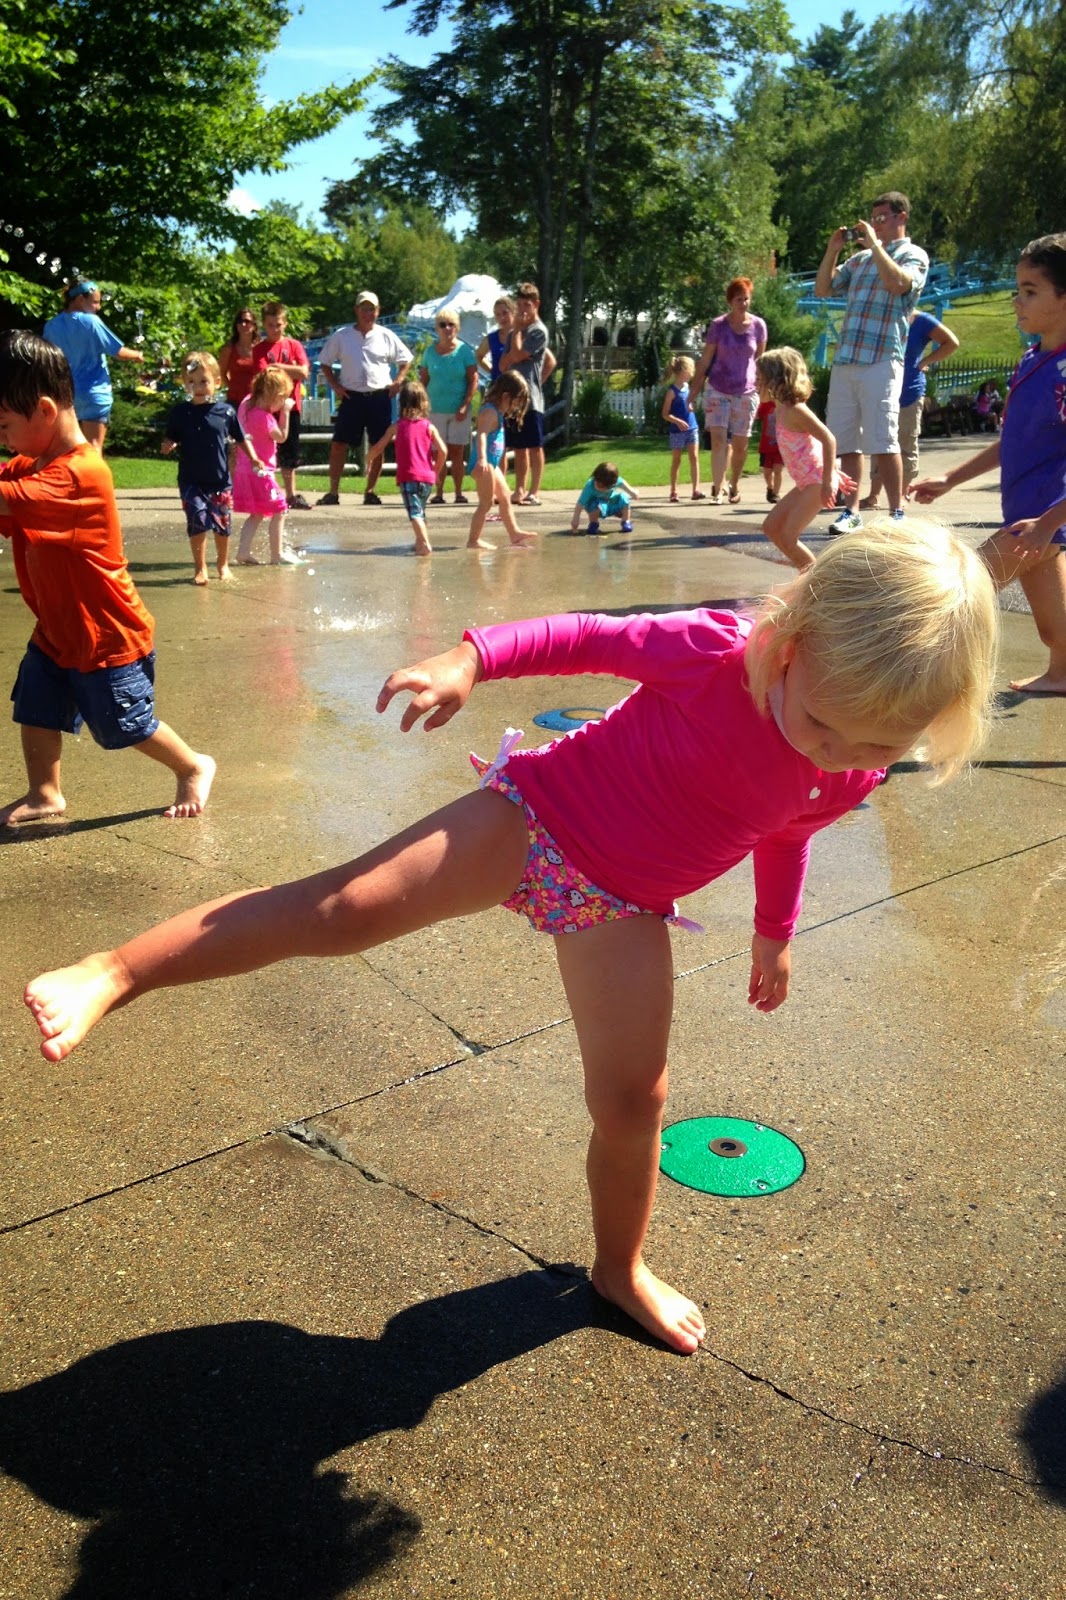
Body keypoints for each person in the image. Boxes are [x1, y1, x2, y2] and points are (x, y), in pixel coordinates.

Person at [22, 520, 1000, 1358]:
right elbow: (585, 636)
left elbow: (786, 831)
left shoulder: (851, 765)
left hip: (624, 906)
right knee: (343, 910)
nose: (838, 754)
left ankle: (617, 1268)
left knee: (634, 1100)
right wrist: (471, 660)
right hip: (533, 822)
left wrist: (774, 933)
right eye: (825, 723)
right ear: (789, 644)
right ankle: (118, 969)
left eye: (881, 746)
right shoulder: (714, 653)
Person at [0, 331, 216, 824]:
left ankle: (192, 765)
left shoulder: (80, 475)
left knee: (124, 724)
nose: (3, 438)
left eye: (5, 425)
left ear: (45, 410)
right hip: (57, 630)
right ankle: (45, 793)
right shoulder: (33, 464)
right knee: (35, 705)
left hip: (106, 635)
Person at [910, 232, 1066, 695]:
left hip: (1041, 519)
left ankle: (903, 685)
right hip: (1030, 519)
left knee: (959, 590)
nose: (1017, 301)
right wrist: (950, 478)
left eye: (1030, 291)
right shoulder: (1032, 359)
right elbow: (1010, 442)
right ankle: (1062, 675)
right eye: (1017, 290)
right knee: (1054, 631)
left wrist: (1048, 523)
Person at [814, 192, 929, 531]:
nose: (875, 224)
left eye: (881, 218)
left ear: (901, 217)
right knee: (846, 440)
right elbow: (823, 289)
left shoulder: (913, 254)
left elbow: (898, 284)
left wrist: (876, 246)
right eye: (873, 219)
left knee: (884, 438)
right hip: (847, 358)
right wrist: (833, 249)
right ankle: (851, 511)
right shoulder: (860, 260)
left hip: (882, 358)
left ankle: (896, 514)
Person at [162, 352, 264, 586]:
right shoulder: (181, 413)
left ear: (217, 382)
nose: (197, 387)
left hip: (219, 480)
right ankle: (200, 568)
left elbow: (241, 438)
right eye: (191, 382)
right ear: (184, 383)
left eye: (203, 381)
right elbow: (171, 437)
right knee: (196, 519)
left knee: (222, 524)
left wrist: (254, 458)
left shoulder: (225, 412)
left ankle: (222, 564)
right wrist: (168, 444)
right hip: (191, 479)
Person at [755, 348, 855, 571]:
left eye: (759, 378)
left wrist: (829, 478)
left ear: (776, 379)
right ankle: (808, 577)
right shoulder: (779, 409)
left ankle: (816, 581)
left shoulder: (796, 410)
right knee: (771, 527)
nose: (755, 383)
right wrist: (832, 471)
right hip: (808, 480)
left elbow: (828, 439)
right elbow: (813, 444)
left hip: (817, 481)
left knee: (788, 537)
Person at [315, 292, 412, 508]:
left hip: (379, 397)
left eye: (372, 309)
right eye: (364, 309)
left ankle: (370, 491)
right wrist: (335, 385)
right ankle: (333, 492)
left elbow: (405, 360)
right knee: (339, 444)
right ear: (356, 310)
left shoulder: (386, 335)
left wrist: (398, 381)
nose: (368, 313)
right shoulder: (342, 336)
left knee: (379, 444)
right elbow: (325, 362)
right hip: (352, 396)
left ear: (378, 311)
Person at [862, 309, 959, 509]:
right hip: (881, 389)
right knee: (880, 442)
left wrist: (924, 362)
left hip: (910, 391)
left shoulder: (922, 320)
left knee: (906, 441)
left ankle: (902, 494)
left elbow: (951, 342)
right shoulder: (882, 315)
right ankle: (874, 495)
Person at [689, 277, 767, 505]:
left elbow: (761, 361)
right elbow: (706, 360)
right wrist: (693, 392)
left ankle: (734, 483)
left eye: (746, 299)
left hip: (746, 390)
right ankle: (718, 489)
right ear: (730, 301)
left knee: (741, 445)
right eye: (738, 299)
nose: (743, 303)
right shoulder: (718, 325)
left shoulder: (758, 326)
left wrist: (764, 390)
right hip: (718, 388)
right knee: (718, 440)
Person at [41, 280, 145, 452]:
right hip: (93, 394)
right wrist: (137, 355)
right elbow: (118, 352)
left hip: (65, 394)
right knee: (94, 447)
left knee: (66, 450)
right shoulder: (91, 322)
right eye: (95, 302)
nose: (98, 307)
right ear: (80, 299)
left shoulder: (52, 325)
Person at [365, 381, 446, 557]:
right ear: (424, 403)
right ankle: (419, 542)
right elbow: (443, 450)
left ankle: (424, 544)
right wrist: (436, 471)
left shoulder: (397, 426)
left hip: (409, 477)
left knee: (414, 513)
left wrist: (368, 459)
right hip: (427, 478)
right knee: (421, 511)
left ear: (401, 403)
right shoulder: (429, 426)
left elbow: (379, 447)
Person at [466, 373, 538, 550]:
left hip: (491, 463)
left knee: (505, 496)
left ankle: (514, 533)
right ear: (505, 396)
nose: (516, 407)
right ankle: (473, 540)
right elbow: (481, 436)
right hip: (484, 464)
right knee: (486, 503)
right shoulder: (489, 412)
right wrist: (482, 459)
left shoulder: (497, 412)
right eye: (516, 401)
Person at [233, 367, 297, 566]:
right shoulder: (265, 418)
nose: (282, 403)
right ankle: (277, 555)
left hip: (244, 470)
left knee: (257, 513)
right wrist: (285, 412)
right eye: (282, 399)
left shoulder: (245, 404)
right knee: (280, 509)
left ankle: (243, 552)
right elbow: (282, 437)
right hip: (262, 473)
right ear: (274, 396)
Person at [253, 302, 311, 511]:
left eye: (278, 324)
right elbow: (263, 374)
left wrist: (277, 366)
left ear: (284, 323)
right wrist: (290, 369)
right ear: (264, 325)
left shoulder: (294, 346)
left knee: (290, 452)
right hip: (268, 408)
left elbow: (303, 372)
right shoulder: (259, 349)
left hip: (290, 406)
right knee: (265, 450)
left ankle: (291, 494)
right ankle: (264, 491)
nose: (275, 329)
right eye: (270, 325)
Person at [420, 309, 478, 506]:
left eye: (451, 324)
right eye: (442, 325)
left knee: (457, 452)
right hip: (434, 409)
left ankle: (459, 492)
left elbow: (473, 379)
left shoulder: (464, 351)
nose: (447, 329)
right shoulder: (429, 352)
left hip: (458, 410)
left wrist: (465, 404)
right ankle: (438, 492)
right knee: (437, 453)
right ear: (437, 329)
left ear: (457, 327)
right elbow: (423, 381)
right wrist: (420, 406)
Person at [499, 282, 549, 505]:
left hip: (531, 398)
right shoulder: (514, 333)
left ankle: (534, 491)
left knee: (534, 445)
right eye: (519, 305)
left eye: (526, 305)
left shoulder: (538, 331)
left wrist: (518, 332)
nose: (522, 310)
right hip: (513, 399)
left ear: (536, 304)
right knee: (518, 446)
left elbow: (518, 355)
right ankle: (519, 489)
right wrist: (515, 335)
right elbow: (503, 364)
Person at [661, 356, 704, 502]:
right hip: (677, 431)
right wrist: (677, 421)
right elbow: (665, 414)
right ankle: (674, 491)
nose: (692, 373)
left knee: (694, 457)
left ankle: (696, 490)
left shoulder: (687, 388)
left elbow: (688, 404)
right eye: (690, 370)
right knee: (677, 459)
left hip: (692, 427)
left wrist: (691, 406)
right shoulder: (672, 391)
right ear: (682, 371)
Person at [570, 461, 638, 536]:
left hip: (610, 504)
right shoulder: (590, 486)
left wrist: (633, 493)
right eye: (597, 483)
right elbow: (580, 504)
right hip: (597, 508)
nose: (599, 487)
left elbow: (622, 483)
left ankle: (625, 521)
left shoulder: (615, 481)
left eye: (602, 486)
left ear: (612, 484)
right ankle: (593, 523)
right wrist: (576, 518)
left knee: (624, 497)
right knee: (594, 503)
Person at [217, 308, 260, 411]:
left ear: (254, 325)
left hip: (257, 400)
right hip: (235, 401)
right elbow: (221, 373)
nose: (243, 324)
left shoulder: (260, 348)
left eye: (247, 321)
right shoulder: (229, 349)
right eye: (240, 321)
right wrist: (233, 387)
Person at [756, 397, 783, 503]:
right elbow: (757, 415)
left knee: (778, 470)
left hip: (780, 446)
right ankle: (770, 487)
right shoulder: (767, 405)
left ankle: (776, 493)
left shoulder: (786, 406)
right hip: (766, 445)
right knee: (767, 471)